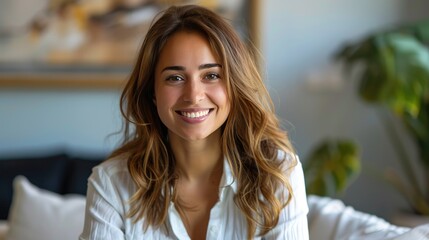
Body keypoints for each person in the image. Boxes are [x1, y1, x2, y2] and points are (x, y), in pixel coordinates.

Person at [80, 4, 309, 240]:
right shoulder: (111, 184)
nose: (193, 95)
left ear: (234, 84)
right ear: (152, 91)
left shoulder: (278, 175)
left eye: (211, 75)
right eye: (175, 78)